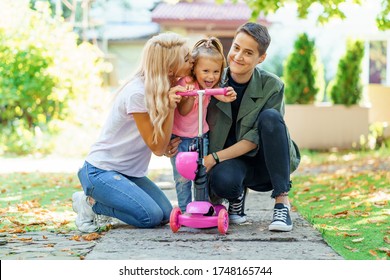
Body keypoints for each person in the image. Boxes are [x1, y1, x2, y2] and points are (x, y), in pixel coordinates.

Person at [72, 32, 193, 233]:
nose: (192, 61)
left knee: (164, 214)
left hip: (128, 174)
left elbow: (155, 139)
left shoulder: (161, 88)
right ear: (170, 66)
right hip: (101, 171)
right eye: (186, 58)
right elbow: (156, 146)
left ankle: (102, 201)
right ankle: (90, 204)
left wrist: (166, 145)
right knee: (149, 216)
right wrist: (170, 112)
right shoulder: (138, 92)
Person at [203, 22, 301, 231]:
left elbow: (255, 138)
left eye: (248, 52)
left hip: (268, 164)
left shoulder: (272, 86)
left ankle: (282, 203)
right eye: (236, 48)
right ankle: (236, 196)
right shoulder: (213, 82)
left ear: (261, 58)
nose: (238, 56)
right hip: (235, 164)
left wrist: (215, 158)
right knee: (222, 181)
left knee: (271, 117)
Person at [168, 37, 236, 212]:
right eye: (205, 70)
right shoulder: (186, 83)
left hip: (201, 136)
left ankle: (202, 207)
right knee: (182, 177)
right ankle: (184, 209)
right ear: (194, 68)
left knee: (202, 173)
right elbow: (183, 111)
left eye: (215, 71)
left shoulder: (209, 86)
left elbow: (220, 94)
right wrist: (189, 96)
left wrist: (226, 93)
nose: (211, 76)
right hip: (180, 138)